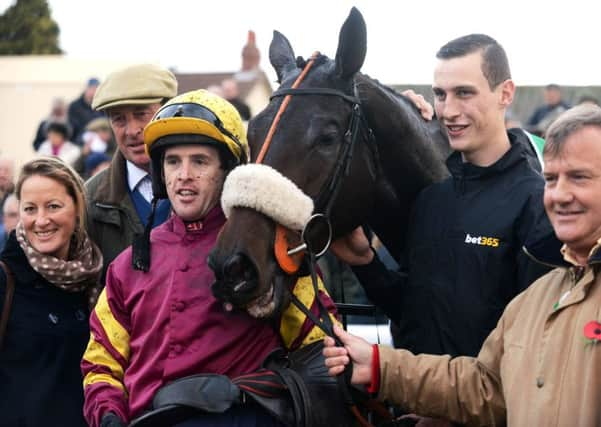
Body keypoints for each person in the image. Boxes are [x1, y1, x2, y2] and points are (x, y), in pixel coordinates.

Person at [324, 103, 601, 426]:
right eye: (551, 179)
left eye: (579, 178)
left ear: (505, 93)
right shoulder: (537, 298)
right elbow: (486, 388)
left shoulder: (525, 212)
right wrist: (378, 366)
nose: (559, 195)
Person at [81, 89, 339, 427]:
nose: (183, 175)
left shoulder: (269, 250)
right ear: (161, 174)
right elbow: (101, 363)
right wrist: (109, 415)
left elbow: (323, 347)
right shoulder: (126, 266)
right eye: (173, 162)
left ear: (227, 172)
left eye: (199, 161)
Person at [333, 33, 555, 358]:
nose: (448, 110)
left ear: (505, 93)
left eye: (463, 93)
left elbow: (536, 349)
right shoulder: (430, 200)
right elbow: (413, 311)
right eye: (440, 94)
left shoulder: (538, 203)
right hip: (411, 402)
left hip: (489, 407)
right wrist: (365, 263)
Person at [0, 157, 103, 426]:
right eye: (30, 209)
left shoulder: (94, 274)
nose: (41, 220)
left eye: (53, 206)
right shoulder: (6, 278)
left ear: (77, 208)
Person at [85, 64, 177, 283]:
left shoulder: (207, 187)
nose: (132, 130)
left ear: (168, 112)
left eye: (142, 114)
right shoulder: (90, 198)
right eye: (119, 119)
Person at [68, 77, 104, 144]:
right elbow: (72, 128)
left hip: (101, 141)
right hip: (79, 142)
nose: (93, 92)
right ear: (86, 89)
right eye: (92, 88)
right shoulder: (74, 106)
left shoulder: (102, 106)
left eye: (96, 89)